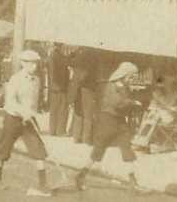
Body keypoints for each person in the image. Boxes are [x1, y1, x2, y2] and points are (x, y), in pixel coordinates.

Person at [75, 62, 143, 192]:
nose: (131, 79)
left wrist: (133, 103)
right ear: (123, 74)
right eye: (130, 76)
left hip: (119, 121)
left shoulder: (123, 86)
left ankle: (133, 182)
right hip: (108, 120)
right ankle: (81, 175)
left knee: (126, 148)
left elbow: (123, 104)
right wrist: (132, 103)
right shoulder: (111, 86)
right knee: (98, 150)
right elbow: (117, 103)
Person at [0, 49, 52, 196]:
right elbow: (10, 102)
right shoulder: (15, 79)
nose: (34, 67)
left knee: (38, 149)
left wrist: (32, 113)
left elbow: (33, 102)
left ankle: (43, 185)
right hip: (13, 118)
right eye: (31, 64)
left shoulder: (37, 80)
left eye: (36, 64)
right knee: (4, 149)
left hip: (28, 120)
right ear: (23, 63)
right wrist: (23, 112)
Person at [70, 48, 98, 144]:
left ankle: (76, 137)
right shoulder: (93, 54)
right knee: (88, 115)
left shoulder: (79, 53)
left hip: (77, 88)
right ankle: (86, 139)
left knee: (78, 113)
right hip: (88, 89)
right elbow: (86, 73)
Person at [47, 42, 70, 136]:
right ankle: (60, 131)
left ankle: (52, 130)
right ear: (60, 46)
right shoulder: (58, 56)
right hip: (60, 87)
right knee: (62, 109)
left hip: (55, 87)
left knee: (54, 110)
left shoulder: (53, 55)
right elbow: (52, 72)